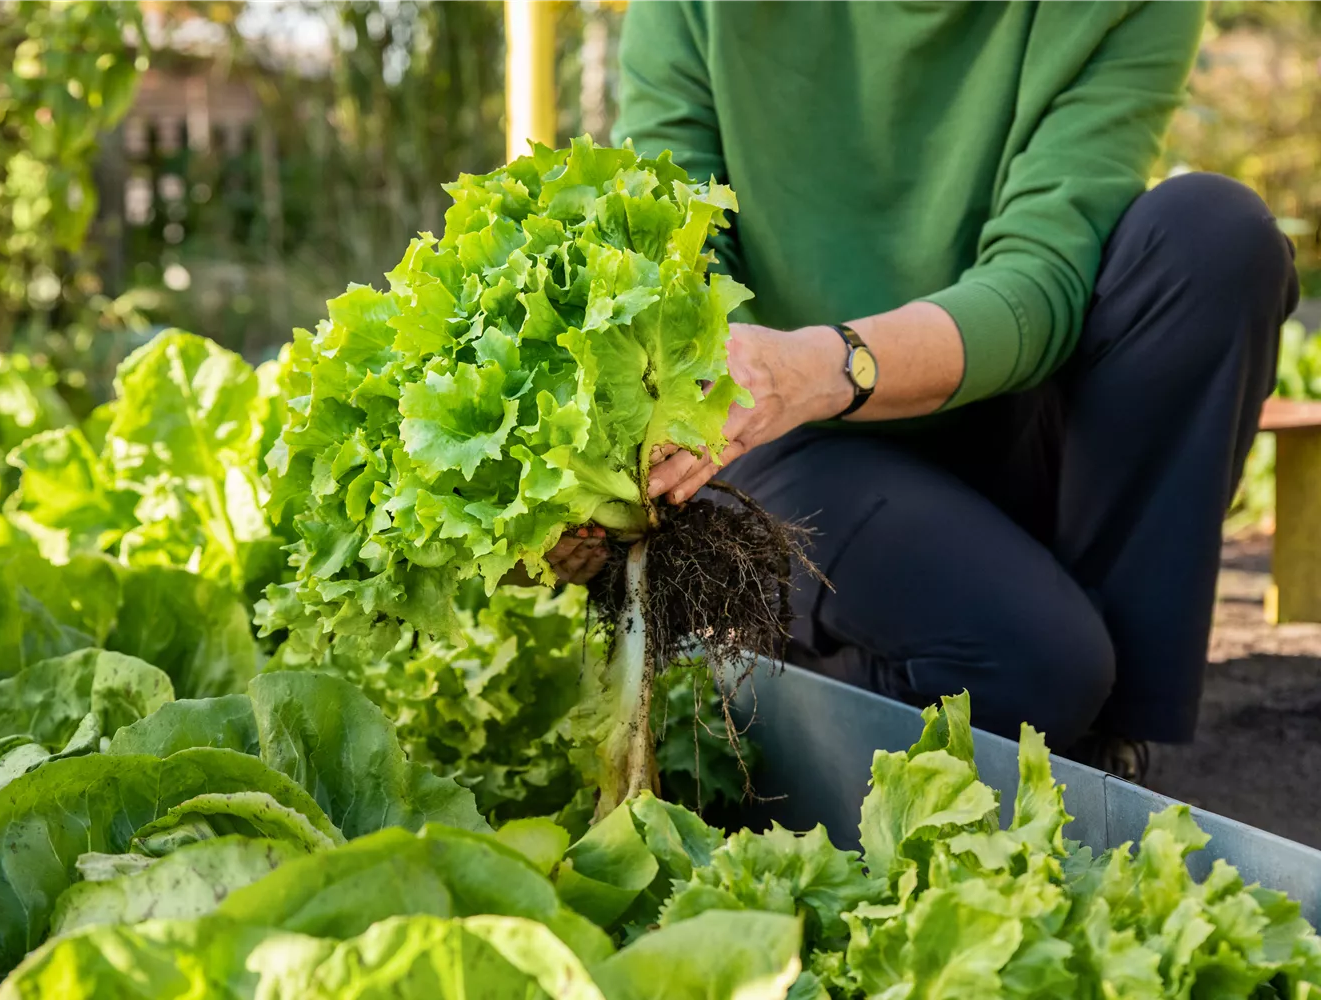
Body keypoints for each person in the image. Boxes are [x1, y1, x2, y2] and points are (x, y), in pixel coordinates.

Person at [546, 0, 1300, 782]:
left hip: (984, 400)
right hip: (772, 428)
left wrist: (834, 364)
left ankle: (1103, 750)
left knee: (1213, 238)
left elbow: (1042, 274)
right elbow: (673, 243)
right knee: (1035, 666)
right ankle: (732, 702)